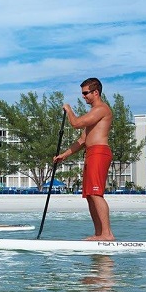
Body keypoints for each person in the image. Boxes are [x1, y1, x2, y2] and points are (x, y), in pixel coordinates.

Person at [53, 78, 115, 241]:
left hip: (100, 153)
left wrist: (68, 110)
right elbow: (82, 140)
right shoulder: (94, 112)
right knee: (89, 195)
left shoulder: (101, 109)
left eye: (86, 93)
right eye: (83, 93)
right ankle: (99, 234)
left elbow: (76, 123)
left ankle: (107, 234)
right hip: (91, 153)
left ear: (96, 92)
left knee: (96, 194)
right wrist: (64, 155)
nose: (84, 96)